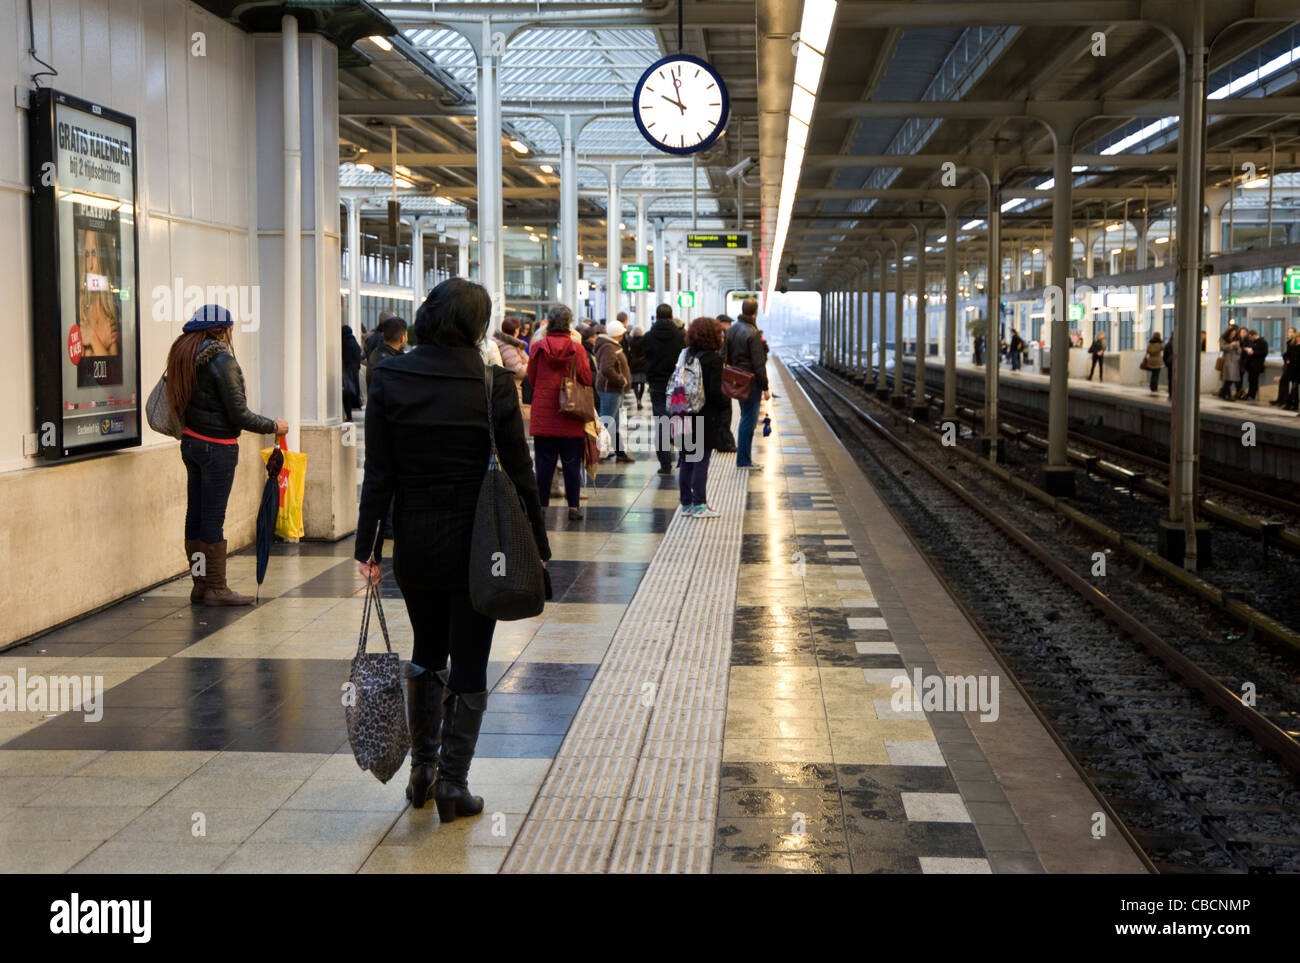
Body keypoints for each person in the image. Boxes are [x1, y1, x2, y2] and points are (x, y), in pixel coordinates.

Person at [355, 278, 549, 820]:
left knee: (426, 649)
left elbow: (379, 472)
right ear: (477, 325)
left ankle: (422, 768)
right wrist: (536, 538)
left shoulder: (388, 375)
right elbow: (519, 470)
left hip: (416, 540)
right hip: (480, 543)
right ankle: (453, 784)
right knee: (470, 656)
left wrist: (368, 542)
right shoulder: (492, 385)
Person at [166, 304, 287, 606]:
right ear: (222, 330)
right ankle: (217, 588)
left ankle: (200, 584)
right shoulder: (222, 362)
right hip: (217, 448)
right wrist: (274, 426)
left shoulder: (183, 356)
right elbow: (240, 414)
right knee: (212, 518)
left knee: (194, 515)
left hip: (191, 444)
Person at [528, 304, 593, 520]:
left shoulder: (537, 347)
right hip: (570, 414)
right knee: (571, 463)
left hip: (544, 415)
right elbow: (586, 378)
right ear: (569, 323)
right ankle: (573, 507)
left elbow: (532, 378)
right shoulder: (577, 349)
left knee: (544, 464)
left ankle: (542, 507)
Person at [678, 317, 729, 517]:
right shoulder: (713, 359)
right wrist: (726, 403)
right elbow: (715, 393)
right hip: (704, 416)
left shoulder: (686, 354)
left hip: (682, 412)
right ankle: (700, 504)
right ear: (713, 336)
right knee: (700, 460)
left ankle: (686, 504)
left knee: (686, 459)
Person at [725, 297, 770, 470]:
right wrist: (765, 387)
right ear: (755, 313)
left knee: (745, 417)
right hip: (751, 381)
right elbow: (758, 364)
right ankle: (744, 460)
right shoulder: (753, 333)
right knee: (748, 421)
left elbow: (725, 356)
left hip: (738, 379)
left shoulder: (731, 330)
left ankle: (745, 458)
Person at [643, 303, 685, 475]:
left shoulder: (648, 336)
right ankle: (683, 461)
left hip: (657, 385)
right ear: (671, 316)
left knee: (662, 423)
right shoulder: (681, 335)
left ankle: (665, 465)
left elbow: (646, 356)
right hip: (677, 385)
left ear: (656, 316)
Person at [594, 318, 634, 463]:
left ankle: (619, 452)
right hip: (610, 390)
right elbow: (606, 369)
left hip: (614, 391)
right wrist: (621, 380)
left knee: (614, 423)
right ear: (618, 334)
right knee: (606, 422)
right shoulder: (608, 347)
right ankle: (597, 452)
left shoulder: (611, 345)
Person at [713, 314, 737, 452]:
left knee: (721, 411)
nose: (729, 326)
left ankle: (722, 441)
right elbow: (722, 356)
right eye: (727, 323)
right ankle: (725, 443)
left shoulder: (714, 335)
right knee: (725, 410)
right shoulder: (722, 336)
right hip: (721, 376)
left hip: (717, 376)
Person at [494, 317, 529, 408]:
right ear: (516, 330)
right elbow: (518, 370)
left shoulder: (502, 342)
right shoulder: (508, 347)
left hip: (505, 387)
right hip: (514, 388)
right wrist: (528, 365)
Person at [1273, 328, 1298, 409]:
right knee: (1286, 383)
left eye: (1291, 332)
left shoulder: (1294, 345)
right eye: (1288, 332)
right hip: (1290, 367)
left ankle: (1290, 402)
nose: (1289, 333)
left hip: (1295, 369)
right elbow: (1287, 354)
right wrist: (1287, 359)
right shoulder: (1290, 343)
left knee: (1294, 387)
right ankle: (1284, 400)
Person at [342, 323, 362, 421]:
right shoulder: (354, 342)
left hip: (347, 372)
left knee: (346, 393)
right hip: (354, 372)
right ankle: (350, 415)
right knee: (352, 392)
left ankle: (348, 415)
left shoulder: (344, 342)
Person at [1241, 329, 1268, 400]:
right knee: (1250, 380)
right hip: (1251, 365)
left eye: (1250, 337)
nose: (1250, 339)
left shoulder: (1263, 342)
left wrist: (1253, 353)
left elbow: (1264, 353)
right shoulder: (1253, 342)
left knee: (1254, 381)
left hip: (1257, 365)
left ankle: (1252, 394)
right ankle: (1249, 393)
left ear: (1254, 335)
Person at [626, 326, 648, 410]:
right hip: (642, 363)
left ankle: (637, 399)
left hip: (633, 364)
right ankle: (640, 399)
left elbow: (629, 352)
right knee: (642, 383)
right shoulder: (644, 341)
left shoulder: (631, 341)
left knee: (635, 383)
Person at [1218, 325, 1242, 400]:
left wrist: (1238, 347)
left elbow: (1240, 352)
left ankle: (1222, 392)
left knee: (1231, 379)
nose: (1233, 335)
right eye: (1232, 333)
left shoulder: (1236, 339)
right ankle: (1228, 395)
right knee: (1229, 378)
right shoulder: (1223, 338)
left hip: (1235, 361)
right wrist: (1231, 345)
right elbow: (1222, 348)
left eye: (1234, 334)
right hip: (1227, 360)